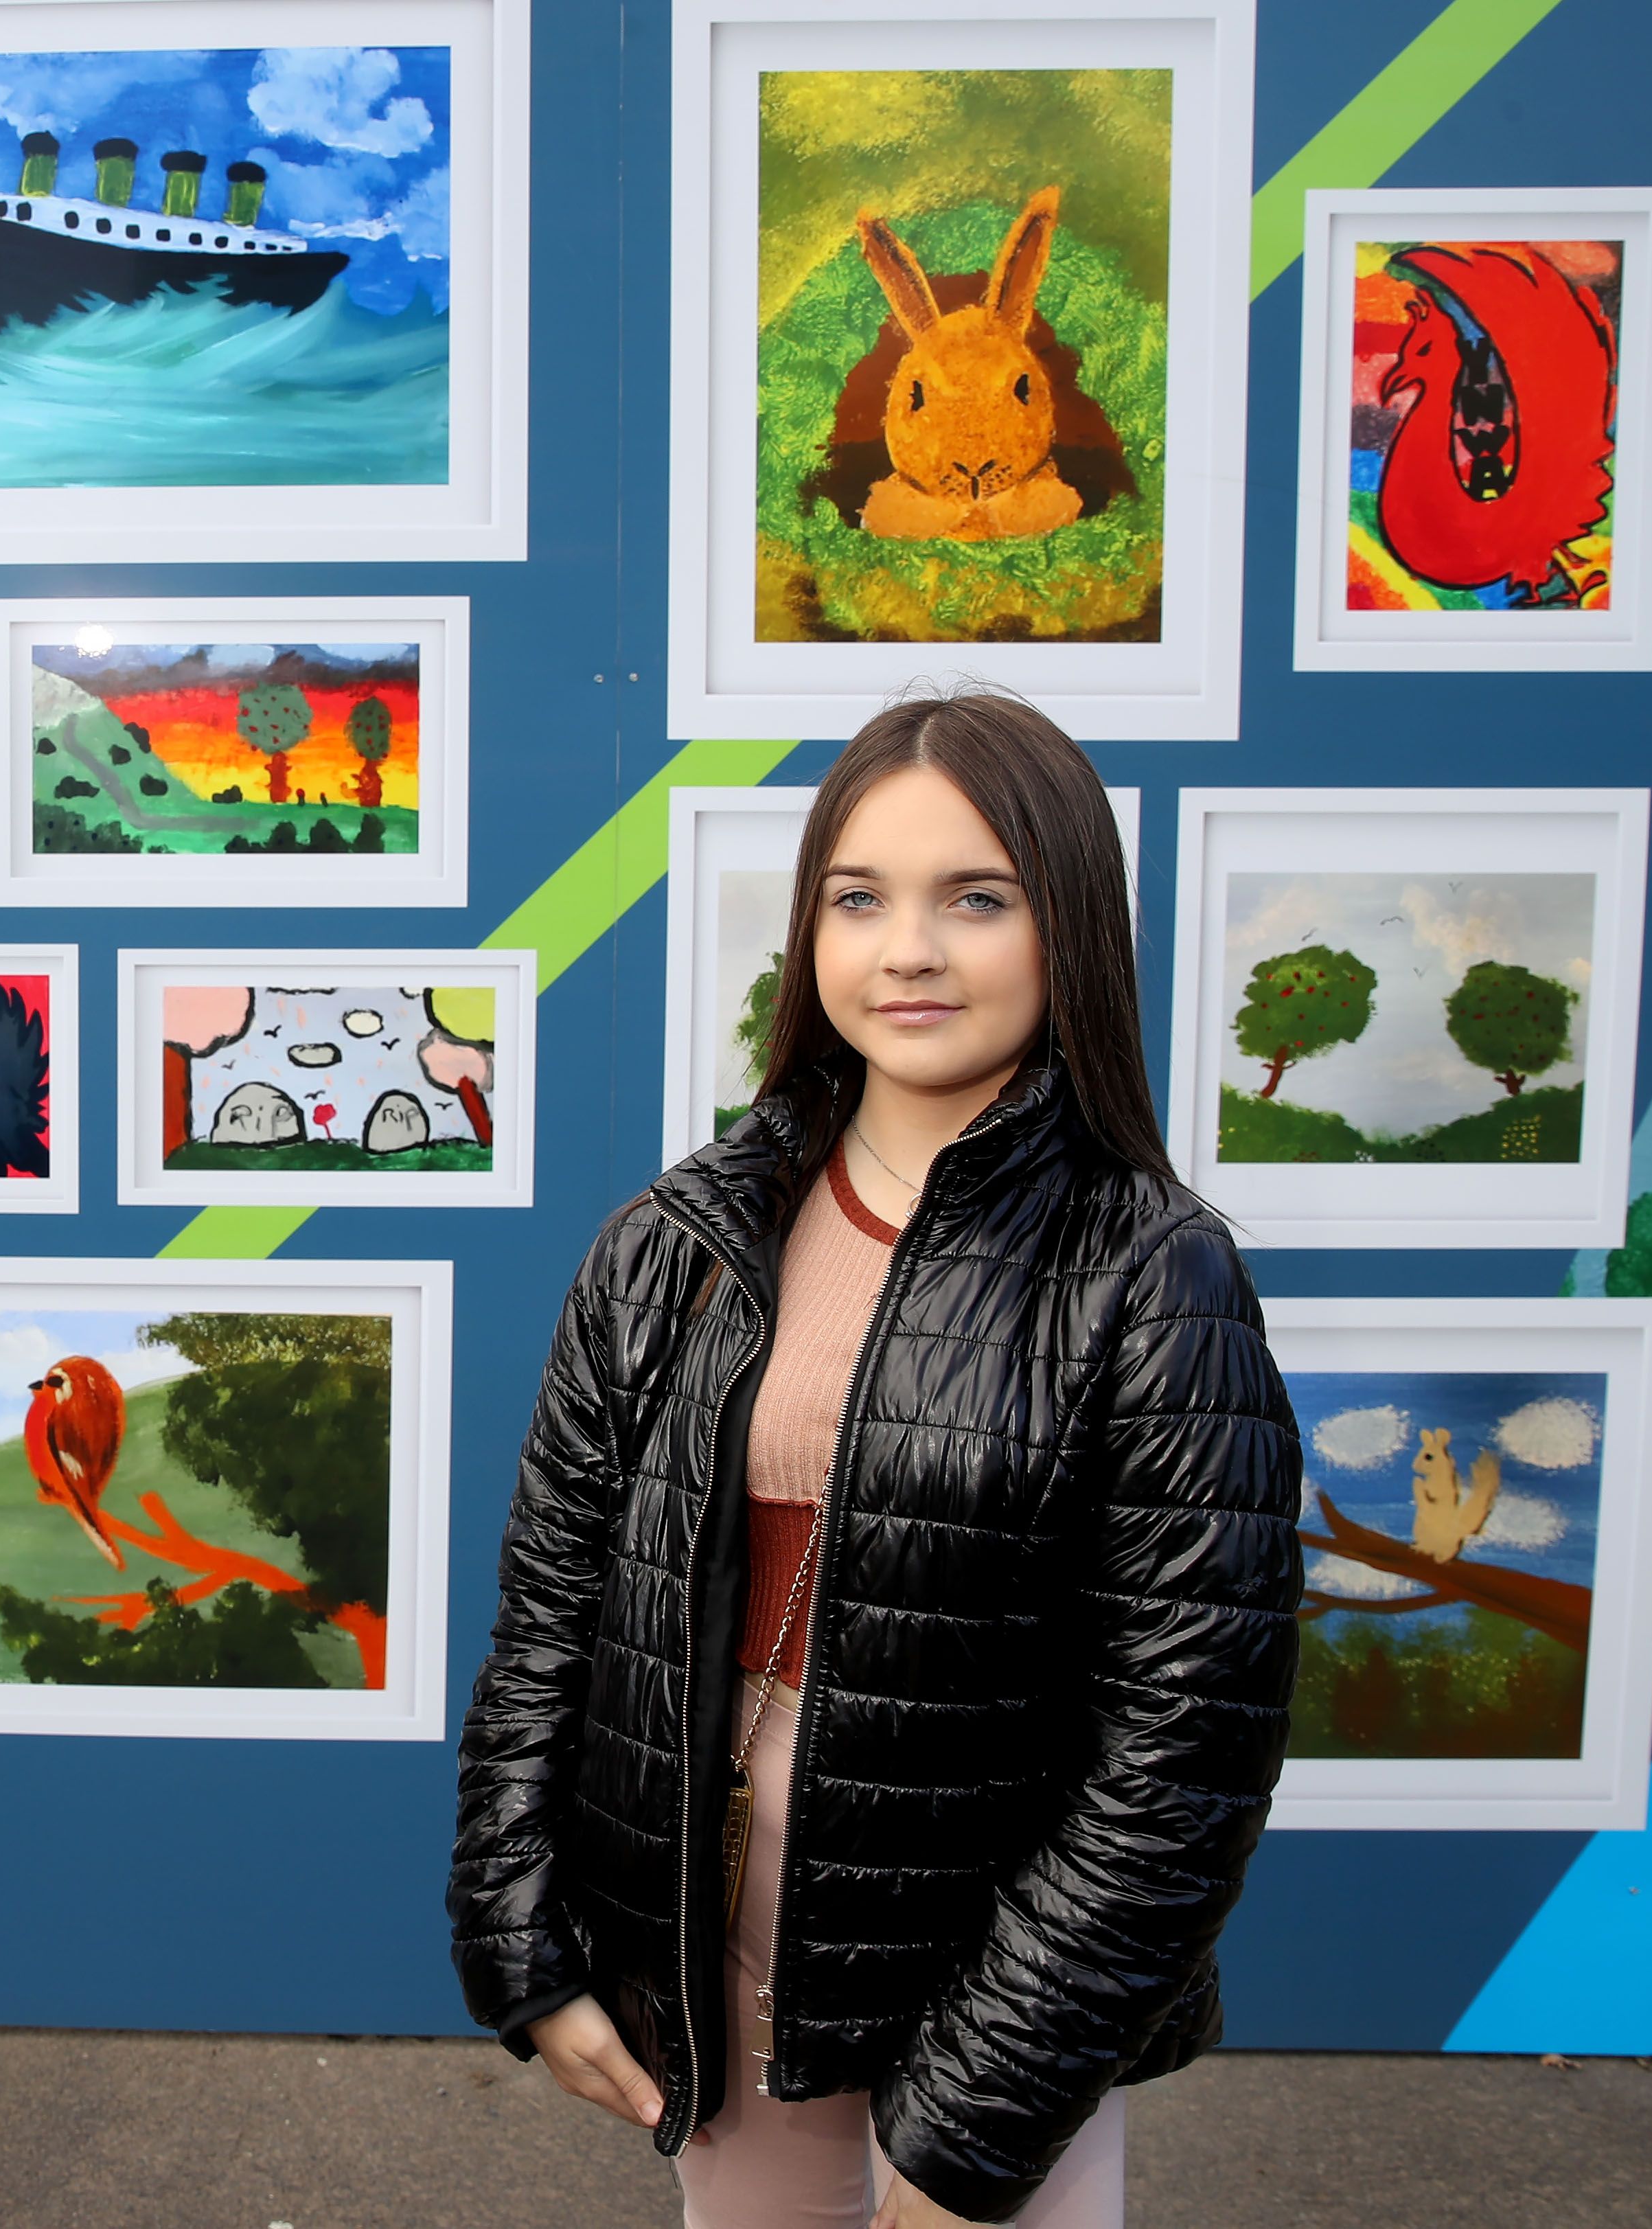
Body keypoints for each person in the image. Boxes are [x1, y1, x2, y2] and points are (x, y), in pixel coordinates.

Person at [448, 689, 1303, 2228]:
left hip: (996, 1970)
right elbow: (547, 1624)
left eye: (975, 897)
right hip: (708, 1949)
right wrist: (520, 1949)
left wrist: (978, 2111)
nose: (908, 946)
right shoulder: (673, 1241)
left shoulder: (1152, 1269)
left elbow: (1186, 1745)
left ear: (1071, 931)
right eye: (859, 899)